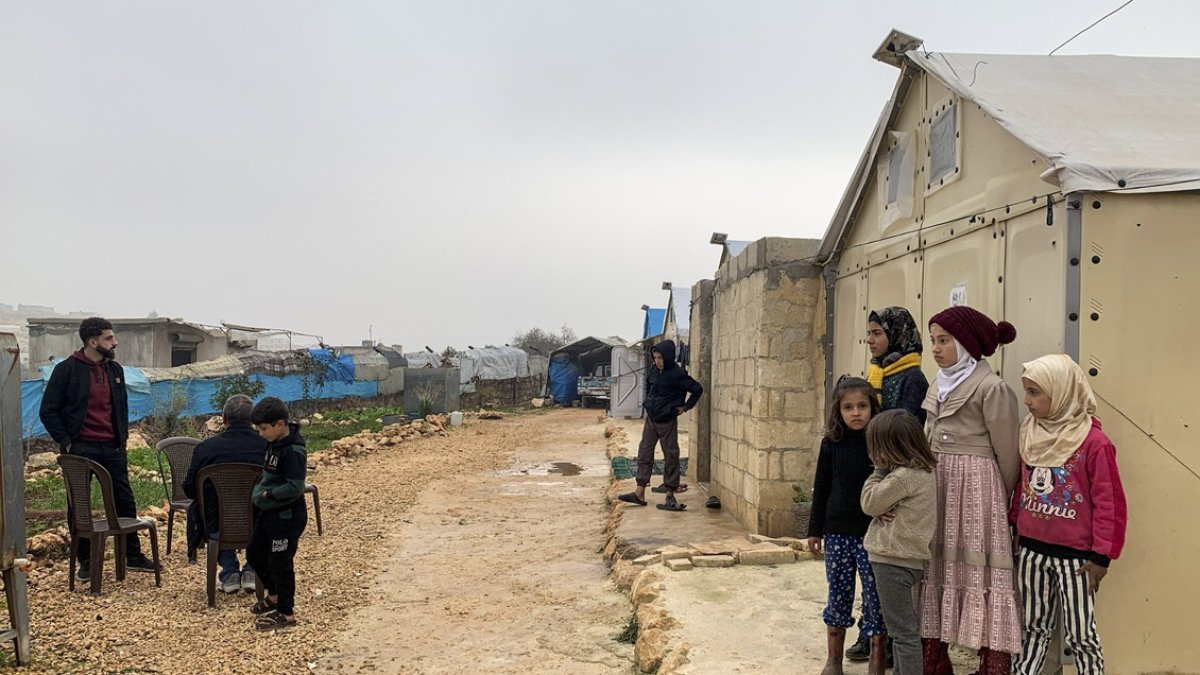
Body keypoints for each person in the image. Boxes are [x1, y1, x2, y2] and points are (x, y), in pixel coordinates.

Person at [919, 306, 1021, 675]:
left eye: (944, 340)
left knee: (980, 566)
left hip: (978, 488)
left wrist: (1001, 499)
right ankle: (935, 655)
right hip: (939, 484)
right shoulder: (938, 383)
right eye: (933, 340)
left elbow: (1007, 450)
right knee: (939, 565)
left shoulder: (992, 388)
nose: (936, 348)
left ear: (966, 344)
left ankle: (992, 661)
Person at [1011, 355, 1127, 675]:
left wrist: (1102, 556)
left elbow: (1110, 503)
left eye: (1034, 392)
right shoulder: (1030, 431)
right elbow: (1022, 486)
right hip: (1032, 551)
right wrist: (1015, 527)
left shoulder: (1094, 443)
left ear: (1061, 392)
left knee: (1081, 634)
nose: (1027, 401)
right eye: (1026, 391)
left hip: (1077, 560)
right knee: (1032, 628)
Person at [39, 317, 158, 580]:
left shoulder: (115, 370)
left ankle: (132, 555)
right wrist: (67, 441)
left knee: (124, 500)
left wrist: (122, 440)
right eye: (108, 338)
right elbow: (48, 410)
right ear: (92, 342)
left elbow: (121, 408)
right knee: (79, 505)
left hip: (112, 449)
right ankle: (86, 561)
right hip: (80, 449)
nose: (115, 343)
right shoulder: (66, 370)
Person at [808, 376, 888, 675]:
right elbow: (822, 487)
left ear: (873, 408)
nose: (856, 413)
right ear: (838, 411)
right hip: (838, 533)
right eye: (848, 407)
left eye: (862, 406)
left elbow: (893, 484)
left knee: (875, 596)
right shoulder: (831, 443)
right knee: (838, 593)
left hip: (873, 534)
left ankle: (877, 657)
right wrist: (814, 530)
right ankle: (834, 660)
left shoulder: (881, 443)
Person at [861, 410, 938, 675]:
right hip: (908, 561)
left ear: (891, 447)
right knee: (903, 632)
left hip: (892, 561)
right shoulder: (923, 472)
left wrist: (878, 471)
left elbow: (869, 503)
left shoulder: (902, 476)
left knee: (903, 634)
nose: (874, 454)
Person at [182, 394, 268, 594]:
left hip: (216, 526)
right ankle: (252, 570)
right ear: (253, 419)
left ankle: (229, 572)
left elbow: (190, 490)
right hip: (257, 522)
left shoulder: (205, 449)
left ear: (224, 418)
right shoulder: (267, 447)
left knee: (207, 510)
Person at [617, 340, 703, 512]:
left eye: (660, 358)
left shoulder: (678, 374)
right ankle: (639, 493)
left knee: (671, 455)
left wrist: (684, 407)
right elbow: (649, 385)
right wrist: (649, 402)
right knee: (644, 452)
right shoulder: (653, 370)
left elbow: (697, 390)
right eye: (655, 357)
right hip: (652, 418)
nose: (657, 361)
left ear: (668, 357)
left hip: (667, 420)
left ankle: (670, 494)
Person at [245, 397, 308, 630]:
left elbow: (295, 487)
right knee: (254, 553)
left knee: (281, 562)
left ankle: (286, 612)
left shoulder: (292, 450)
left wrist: (267, 495)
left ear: (280, 424)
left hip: (287, 516)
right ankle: (274, 595)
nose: (260, 434)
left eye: (263, 429)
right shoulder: (275, 443)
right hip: (269, 514)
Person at [866, 307, 929, 424]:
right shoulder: (875, 373)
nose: (869, 340)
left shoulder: (913, 379)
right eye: (869, 333)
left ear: (896, 334)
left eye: (877, 333)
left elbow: (908, 428)